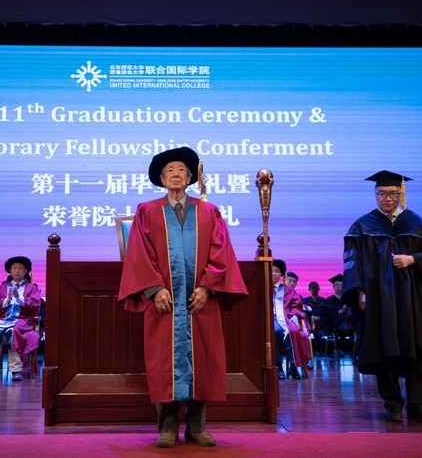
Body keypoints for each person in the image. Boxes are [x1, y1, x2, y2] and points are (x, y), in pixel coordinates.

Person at [117, 146, 248, 448]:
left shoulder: (209, 211)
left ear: (190, 178)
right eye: (169, 171)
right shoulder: (147, 211)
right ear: (162, 179)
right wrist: (154, 289)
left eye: (181, 171)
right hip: (163, 303)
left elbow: (221, 252)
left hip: (200, 302)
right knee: (163, 363)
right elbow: (138, 253)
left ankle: (197, 426)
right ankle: (167, 427)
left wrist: (207, 287)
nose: (175, 175)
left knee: (202, 361)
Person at [342, 170, 422, 424]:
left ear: (401, 194)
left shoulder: (417, 224)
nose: (387, 198)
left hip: (412, 298)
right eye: (382, 193)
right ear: (375, 195)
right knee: (383, 347)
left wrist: (413, 259)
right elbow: (352, 263)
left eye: (392, 193)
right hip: (378, 299)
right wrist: (359, 291)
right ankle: (393, 404)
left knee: (415, 349)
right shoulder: (362, 227)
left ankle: (418, 405)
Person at [0, 256, 41, 383]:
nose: (17, 271)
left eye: (20, 268)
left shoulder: (32, 289)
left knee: (13, 331)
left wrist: (19, 298)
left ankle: (16, 370)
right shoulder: (1, 288)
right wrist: (7, 300)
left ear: (25, 271)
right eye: (14, 268)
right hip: (2, 320)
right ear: (10, 271)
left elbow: (35, 306)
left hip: (22, 320)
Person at [271, 260, 311, 380]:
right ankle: (278, 366)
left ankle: (294, 366)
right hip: (269, 319)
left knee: (293, 331)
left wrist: (294, 315)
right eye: (271, 271)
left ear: (281, 274)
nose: (273, 274)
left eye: (276, 271)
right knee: (276, 331)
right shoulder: (262, 288)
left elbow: (296, 305)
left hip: (286, 318)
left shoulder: (288, 290)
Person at [317, 274, 353, 356]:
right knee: (338, 328)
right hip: (333, 324)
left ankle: (353, 352)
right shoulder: (328, 301)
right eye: (336, 285)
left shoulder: (348, 300)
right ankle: (337, 349)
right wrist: (340, 312)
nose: (338, 287)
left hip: (346, 323)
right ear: (333, 287)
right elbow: (326, 316)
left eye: (340, 285)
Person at [302, 281, 326, 356]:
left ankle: (320, 350)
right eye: (312, 288)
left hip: (322, 322)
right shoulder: (305, 301)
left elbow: (326, 312)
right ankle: (317, 350)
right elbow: (304, 312)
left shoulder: (323, 301)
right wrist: (312, 316)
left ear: (319, 289)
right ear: (309, 289)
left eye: (316, 288)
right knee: (314, 327)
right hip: (310, 322)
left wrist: (321, 317)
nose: (314, 290)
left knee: (319, 328)